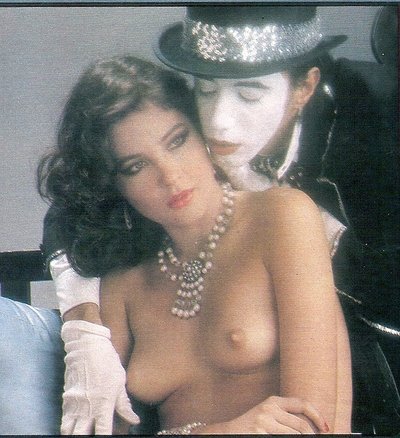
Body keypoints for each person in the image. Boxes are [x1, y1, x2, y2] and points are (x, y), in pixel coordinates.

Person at [3, 5, 396, 435]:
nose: (170, 177)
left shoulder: (282, 215)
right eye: (136, 166)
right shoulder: (121, 282)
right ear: (112, 183)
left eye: (177, 141)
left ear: (201, 134)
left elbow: (316, 423)